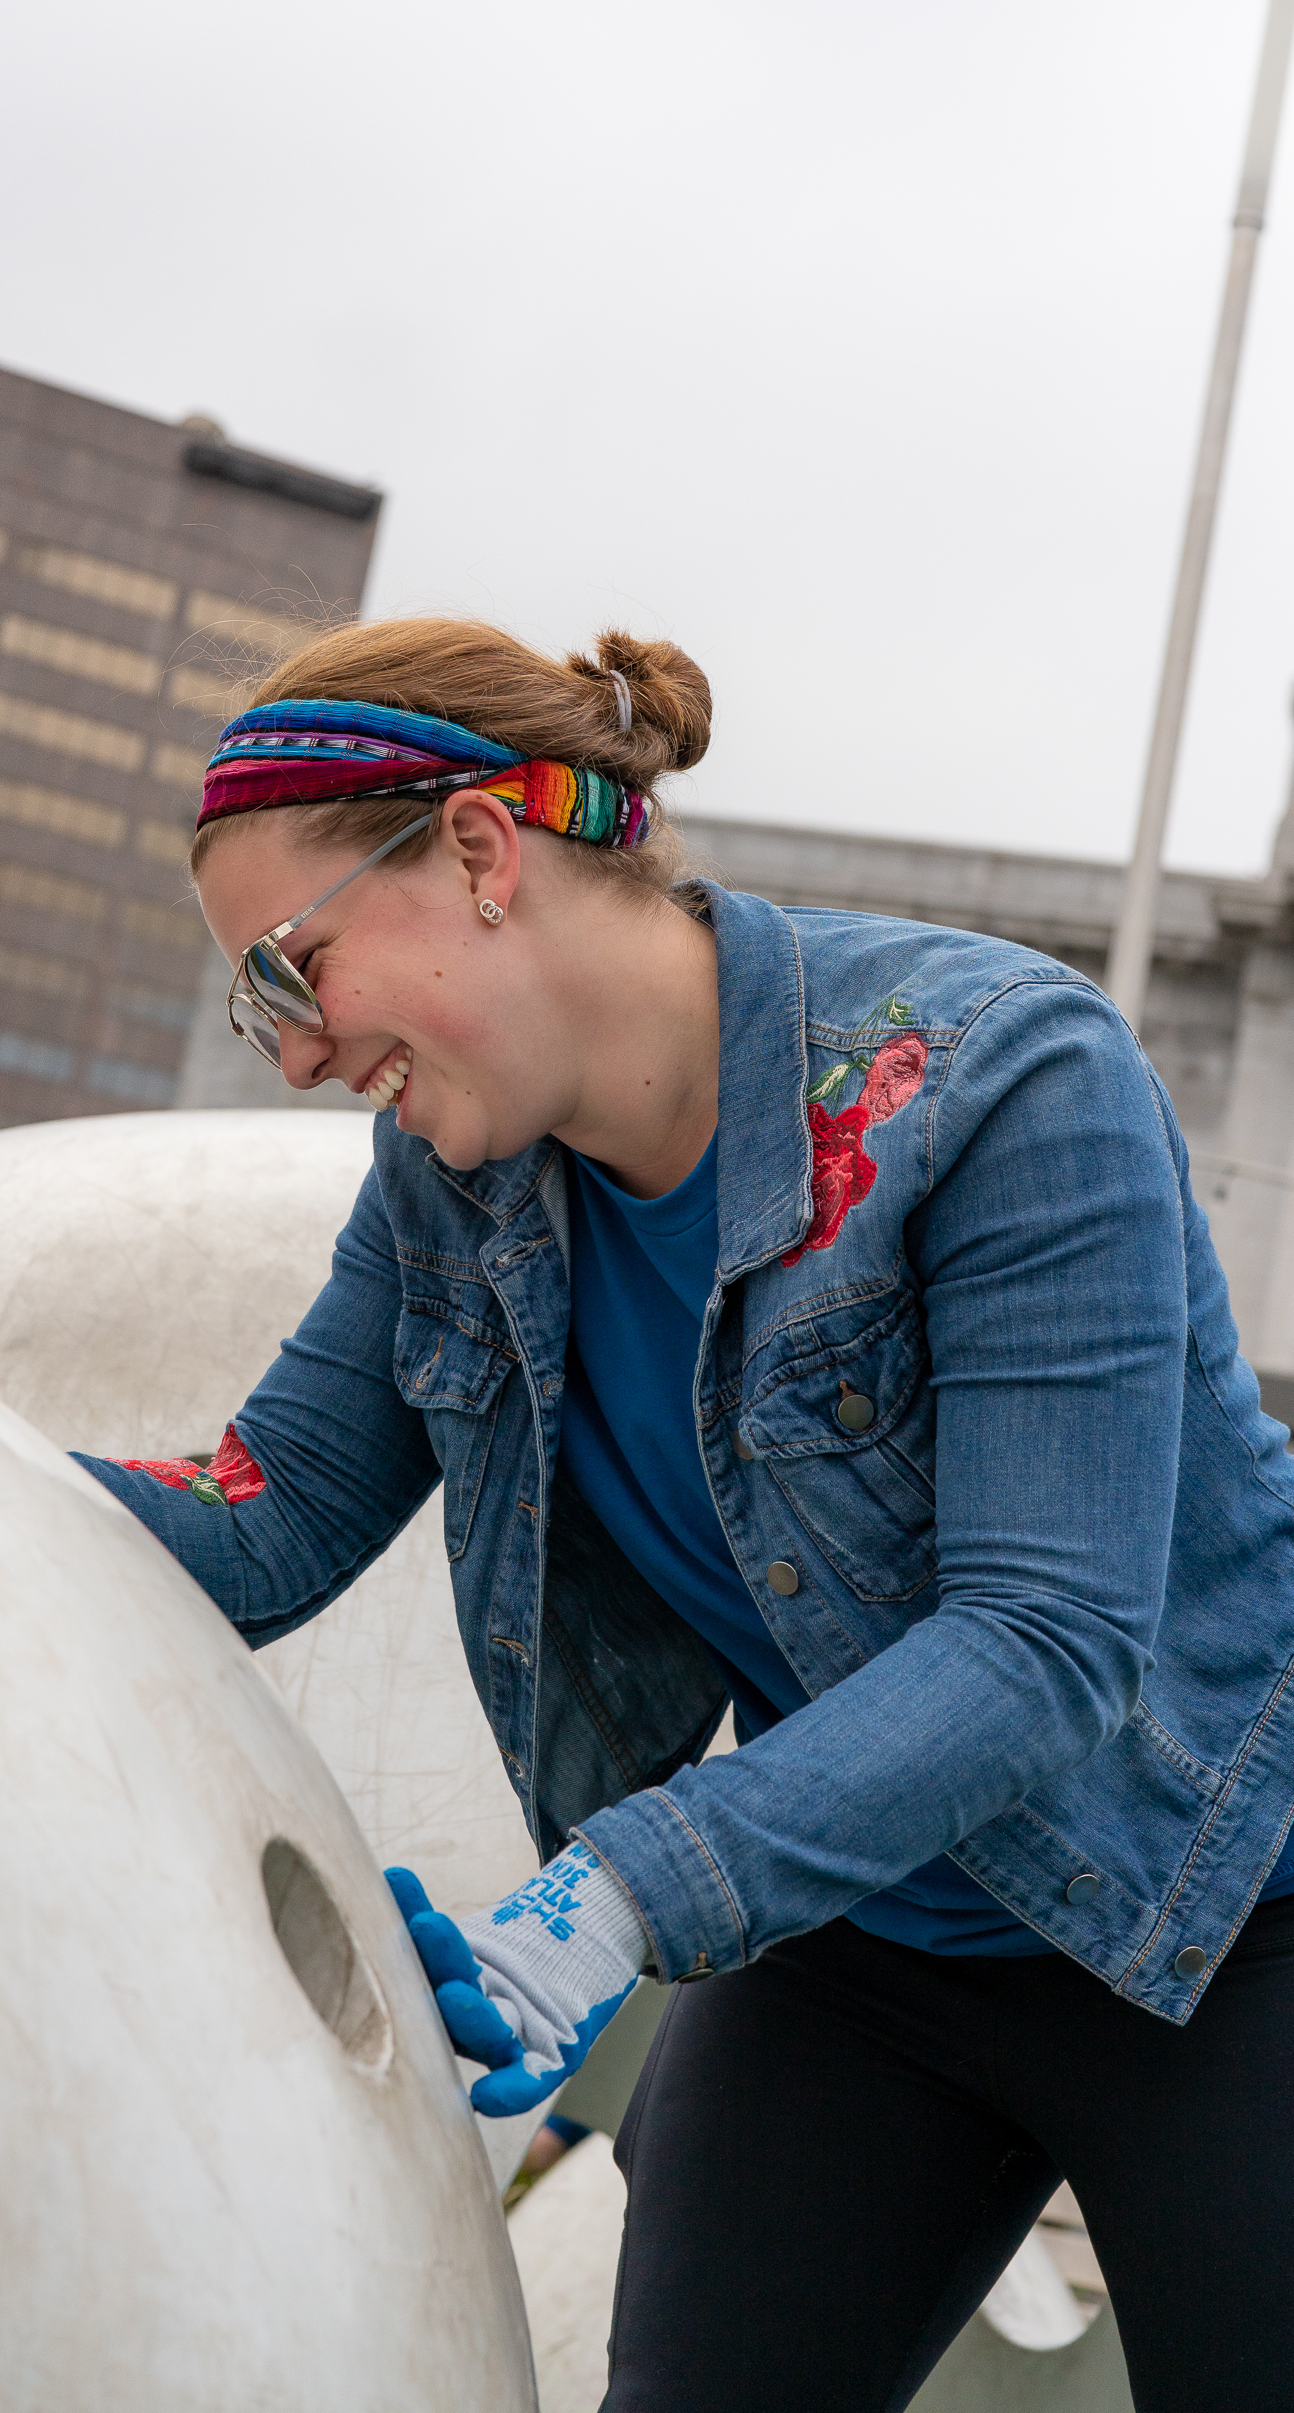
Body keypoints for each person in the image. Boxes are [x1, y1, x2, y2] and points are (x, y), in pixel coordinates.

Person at [78, 616, 1294, 2412]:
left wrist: (618, 1894)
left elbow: (1045, 1642)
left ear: (484, 852)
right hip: (868, 1941)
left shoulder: (1003, 1083)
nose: (294, 1055)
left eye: (289, 970)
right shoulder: (450, 1182)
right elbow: (267, 1512)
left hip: (1227, 1911)